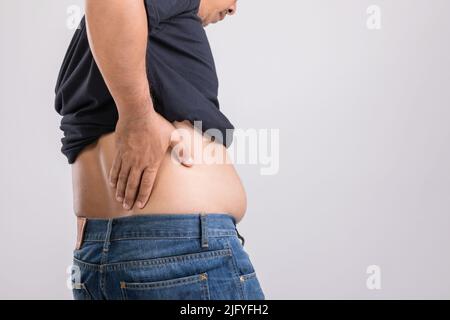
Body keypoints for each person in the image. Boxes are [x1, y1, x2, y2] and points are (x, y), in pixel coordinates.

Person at [54, 0, 265, 300]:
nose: (233, 8)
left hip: (98, 259)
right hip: (184, 255)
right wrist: (138, 116)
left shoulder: (102, 43)